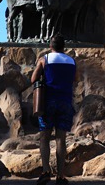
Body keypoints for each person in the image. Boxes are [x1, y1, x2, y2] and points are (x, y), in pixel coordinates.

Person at [30, 35, 77, 185]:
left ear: (51, 46)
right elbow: (76, 79)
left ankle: (46, 171)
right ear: (64, 47)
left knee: (44, 137)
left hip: (48, 102)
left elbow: (33, 79)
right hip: (65, 102)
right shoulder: (72, 61)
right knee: (60, 139)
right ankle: (61, 175)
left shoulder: (45, 59)